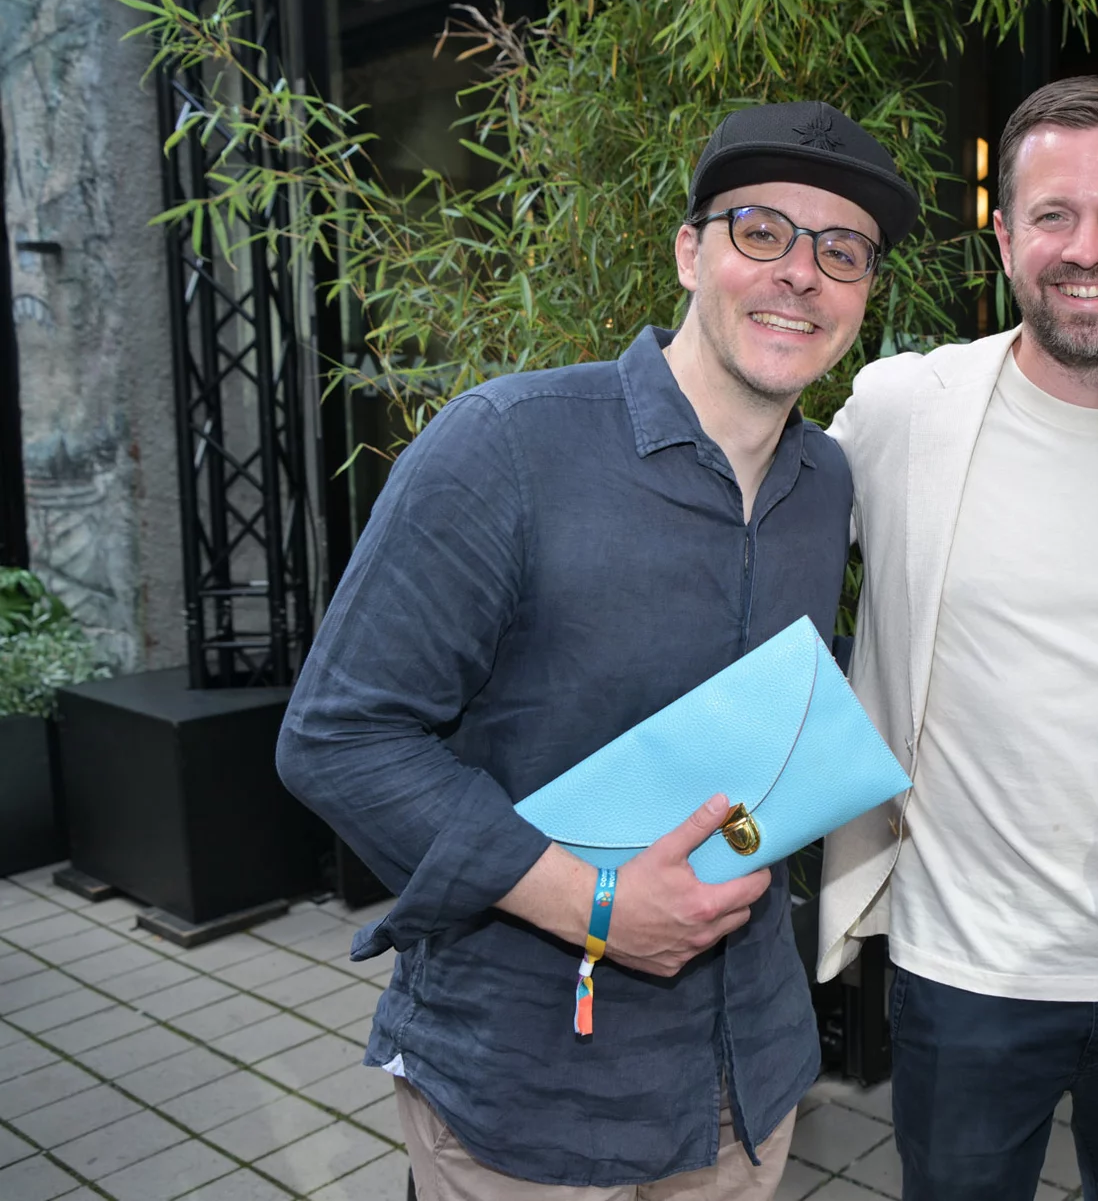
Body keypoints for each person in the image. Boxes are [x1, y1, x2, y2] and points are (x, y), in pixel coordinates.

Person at [275, 101, 920, 1199]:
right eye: (762, 230)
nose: (800, 273)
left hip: (750, 1076)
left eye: (841, 251)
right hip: (530, 1090)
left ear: (863, 294)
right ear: (689, 253)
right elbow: (339, 735)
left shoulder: (827, 484)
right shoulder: (507, 445)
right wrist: (594, 901)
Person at [817, 76, 1098, 1200]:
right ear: (1001, 237)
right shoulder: (907, 410)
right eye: (1053, 215)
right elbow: (744, 539)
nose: (1087, 249)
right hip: (964, 972)